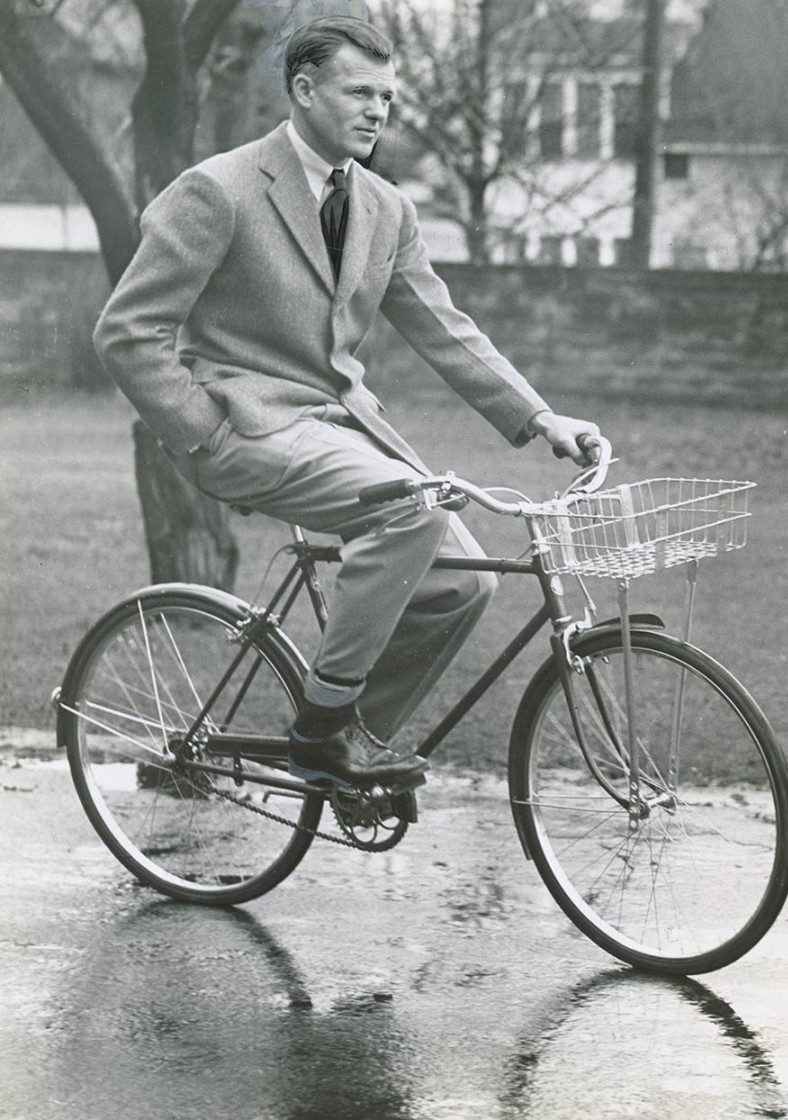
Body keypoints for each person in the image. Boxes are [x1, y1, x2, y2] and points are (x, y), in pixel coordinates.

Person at [93, 16, 601, 795]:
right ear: (303, 90)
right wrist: (200, 431)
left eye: (388, 97)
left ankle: (356, 743)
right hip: (248, 425)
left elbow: (445, 330)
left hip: (340, 429)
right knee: (412, 509)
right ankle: (323, 731)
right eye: (359, 92)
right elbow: (129, 333)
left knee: (466, 580)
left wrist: (541, 418)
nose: (378, 111)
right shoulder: (219, 190)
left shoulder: (386, 208)